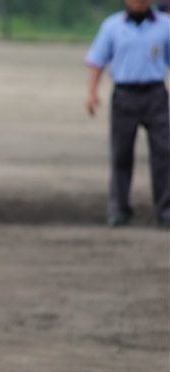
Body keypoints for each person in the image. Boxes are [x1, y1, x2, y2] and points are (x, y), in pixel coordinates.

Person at [85, 0, 170, 227]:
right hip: (124, 95)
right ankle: (119, 209)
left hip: (155, 94)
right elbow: (98, 61)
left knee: (164, 153)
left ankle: (166, 209)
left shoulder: (165, 25)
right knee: (121, 153)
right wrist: (92, 93)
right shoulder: (112, 26)